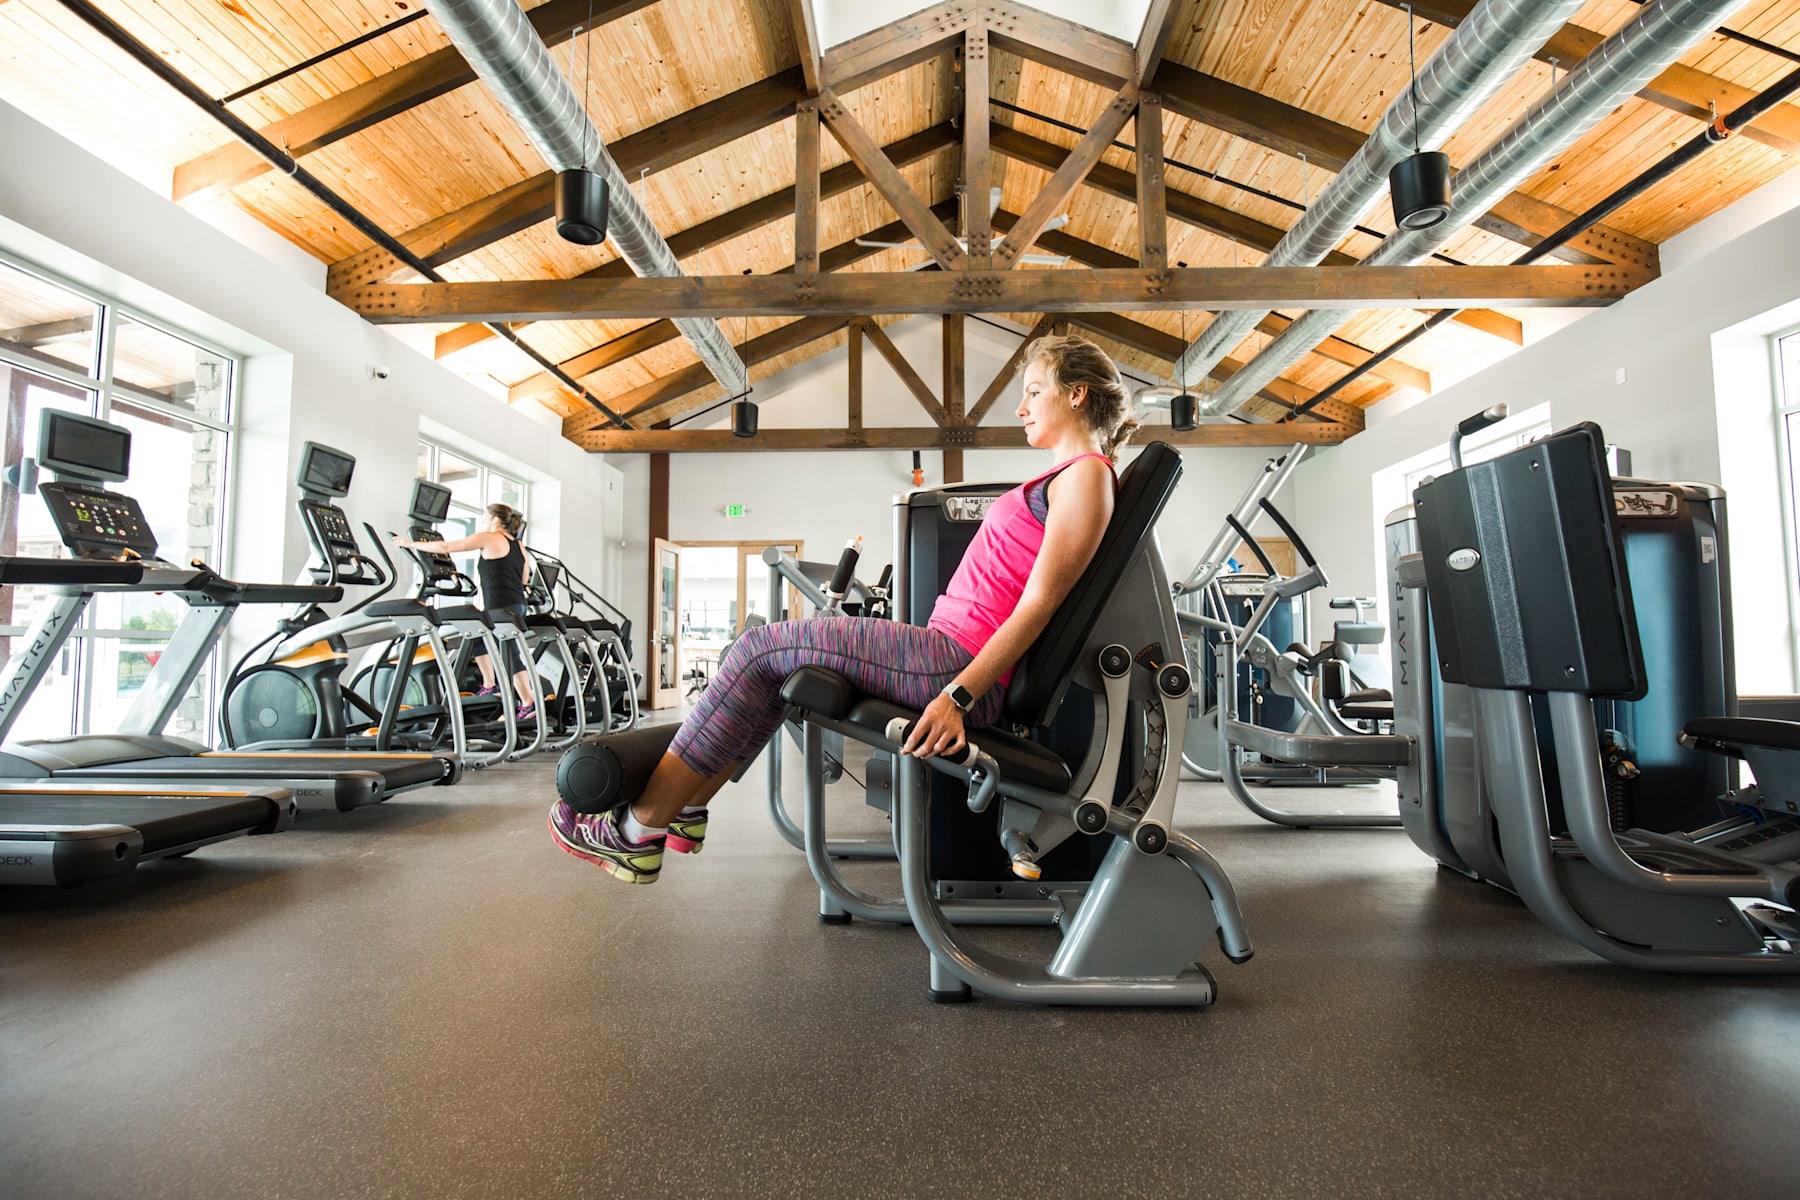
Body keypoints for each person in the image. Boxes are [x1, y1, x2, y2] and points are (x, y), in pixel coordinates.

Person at [550, 334, 1140, 883]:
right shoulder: (1069, 476)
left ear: (1076, 393)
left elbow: (1039, 604)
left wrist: (957, 695)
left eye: (1034, 391)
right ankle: (688, 805)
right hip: (944, 651)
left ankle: (639, 826)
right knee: (769, 668)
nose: (1021, 407)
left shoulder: (1087, 477)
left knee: (758, 646)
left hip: (952, 664)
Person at [396, 502, 538, 722]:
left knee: (508, 652)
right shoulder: (518, 546)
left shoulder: (489, 537)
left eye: (485, 518)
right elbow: (523, 578)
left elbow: (447, 548)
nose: (483, 522)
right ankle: (490, 685)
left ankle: (528, 702)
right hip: (517, 604)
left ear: (495, 520)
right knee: (477, 641)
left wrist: (409, 543)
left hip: (501, 607)